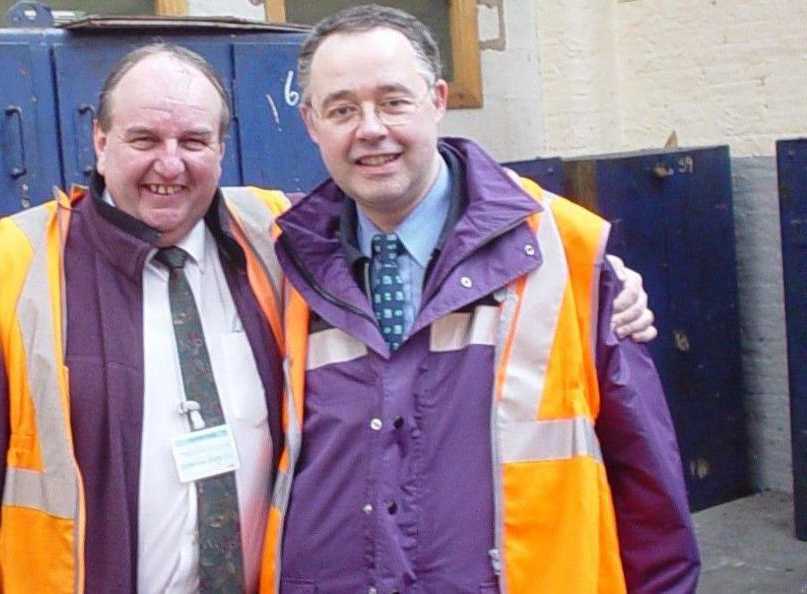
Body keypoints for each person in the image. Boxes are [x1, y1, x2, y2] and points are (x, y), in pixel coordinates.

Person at [0, 41, 656, 594]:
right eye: (143, 139)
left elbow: (420, 223)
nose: (169, 164)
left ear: (222, 149)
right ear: (101, 143)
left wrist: (602, 277)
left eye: (194, 141)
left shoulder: (275, 238)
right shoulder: (12, 273)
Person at [259, 5, 699, 594]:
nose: (369, 128)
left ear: (438, 100)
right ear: (312, 123)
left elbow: (647, 486)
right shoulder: (280, 260)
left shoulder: (565, 253)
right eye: (341, 109)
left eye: (393, 101)